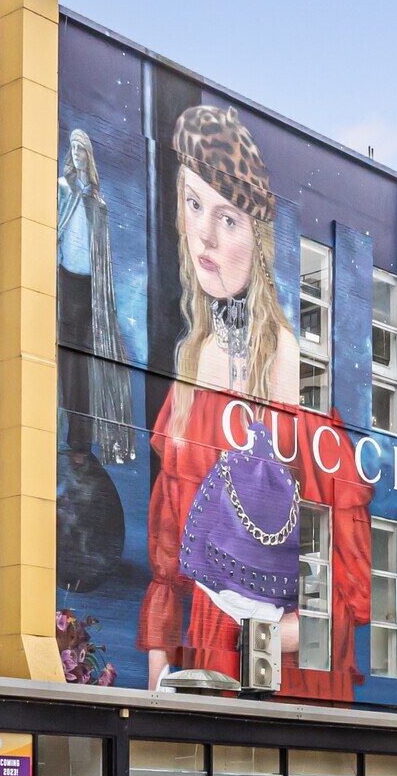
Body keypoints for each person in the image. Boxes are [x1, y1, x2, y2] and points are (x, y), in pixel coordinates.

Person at [139, 105, 374, 699]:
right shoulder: (190, 365)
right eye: (194, 205)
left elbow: (333, 562)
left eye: (229, 218)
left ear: (259, 237)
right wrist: (157, 674)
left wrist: (271, 633)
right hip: (200, 658)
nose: (206, 237)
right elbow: (168, 552)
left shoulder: (281, 358)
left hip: (270, 664)